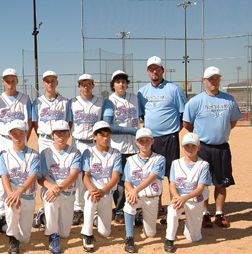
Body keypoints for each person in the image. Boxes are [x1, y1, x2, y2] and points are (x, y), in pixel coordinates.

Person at [183, 66, 242, 228]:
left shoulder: (229, 100)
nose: (213, 81)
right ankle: (205, 213)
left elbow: (233, 121)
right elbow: (187, 123)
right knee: (203, 183)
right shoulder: (195, 101)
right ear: (204, 81)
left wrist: (221, 132)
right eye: (210, 79)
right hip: (202, 148)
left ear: (219, 79)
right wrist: (200, 135)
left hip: (222, 147)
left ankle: (220, 214)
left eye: (216, 78)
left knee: (221, 183)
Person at [138, 56, 187, 220]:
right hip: (152, 140)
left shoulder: (174, 89)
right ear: (147, 71)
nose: (154, 71)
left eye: (157, 68)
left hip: (170, 138)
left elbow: (183, 114)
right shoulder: (142, 92)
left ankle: (176, 204)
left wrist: (173, 131)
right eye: (151, 69)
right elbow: (142, 115)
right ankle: (158, 206)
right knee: (155, 175)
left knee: (173, 173)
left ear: (162, 70)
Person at [0, 68, 32, 232]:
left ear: (17, 81)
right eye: (7, 80)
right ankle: (1, 214)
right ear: (3, 82)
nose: (10, 83)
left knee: (21, 172)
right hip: (4, 139)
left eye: (12, 80)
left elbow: (29, 121)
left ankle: (20, 207)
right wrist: (3, 138)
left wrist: (21, 138)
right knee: (3, 178)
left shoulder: (25, 99)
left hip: (20, 138)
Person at [37, 120, 81, 254]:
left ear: (69, 135)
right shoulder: (45, 153)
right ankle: (52, 235)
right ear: (52, 135)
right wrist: (52, 187)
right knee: (51, 198)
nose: (61, 136)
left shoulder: (75, 152)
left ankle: (43, 216)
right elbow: (41, 178)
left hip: (67, 193)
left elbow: (73, 175)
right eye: (57, 133)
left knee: (65, 234)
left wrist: (59, 188)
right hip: (51, 191)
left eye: (64, 133)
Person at [67, 74, 105, 226]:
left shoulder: (100, 103)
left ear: (93, 85)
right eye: (83, 84)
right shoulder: (73, 102)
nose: (86, 87)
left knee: (93, 174)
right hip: (78, 142)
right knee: (77, 175)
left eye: (89, 84)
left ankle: (94, 208)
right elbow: (69, 123)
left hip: (94, 143)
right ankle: (78, 208)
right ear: (79, 86)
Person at [103, 70, 140, 224]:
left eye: (124, 81)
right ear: (113, 85)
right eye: (118, 82)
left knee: (135, 179)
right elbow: (108, 125)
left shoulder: (135, 99)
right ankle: (119, 210)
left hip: (135, 148)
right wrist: (132, 131)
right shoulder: (109, 101)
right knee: (118, 182)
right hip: (118, 147)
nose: (121, 84)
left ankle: (135, 209)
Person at [164, 133, 211, 253]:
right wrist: (178, 198)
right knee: (173, 209)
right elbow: (172, 184)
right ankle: (169, 239)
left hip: (195, 200)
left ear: (199, 147)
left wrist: (184, 198)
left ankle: (189, 227)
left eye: (193, 146)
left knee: (193, 238)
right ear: (182, 147)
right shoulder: (176, 163)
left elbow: (200, 188)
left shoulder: (203, 165)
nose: (190, 149)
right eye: (187, 146)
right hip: (179, 199)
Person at [0, 120, 41, 254]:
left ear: (26, 133)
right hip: (13, 197)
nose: (18, 137)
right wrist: (11, 193)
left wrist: (19, 191)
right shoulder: (4, 155)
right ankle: (12, 238)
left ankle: (5, 226)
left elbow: (33, 175)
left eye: (21, 133)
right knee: (11, 206)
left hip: (28, 197)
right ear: (9, 135)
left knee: (25, 239)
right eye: (14, 134)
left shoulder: (34, 154)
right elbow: (4, 176)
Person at [80, 121, 122, 253]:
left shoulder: (116, 153)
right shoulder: (88, 152)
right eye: (102, 135)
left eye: (108, 135)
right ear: (94, 136)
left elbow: (115, 177)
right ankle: (87, 235)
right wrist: (92, 189)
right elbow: (85, 176)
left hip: (107, 194)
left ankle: (94, 217)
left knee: (105, 233)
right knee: (90, 197)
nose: (106, 138)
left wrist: (103, 191)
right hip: (93, 192)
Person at [122, 128, 165, 253]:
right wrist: (132, 192)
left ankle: (141, 217)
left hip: (151, 196)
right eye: (141, 141)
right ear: (136, 142)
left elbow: (152, 178)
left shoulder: (159, 159)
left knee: (150, 234)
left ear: (153, 141)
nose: (144, 143)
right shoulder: (130, 160)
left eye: (147, 140)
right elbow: (127, 181)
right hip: (136, 196)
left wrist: (135, 190)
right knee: (129, 204)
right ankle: (129, 237)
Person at [32, 70, 69, 152]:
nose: (50, 84)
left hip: (60, 139)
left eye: (53, 81)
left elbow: (69, 122)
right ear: (43, 84)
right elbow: (35, 123)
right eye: (47, 81)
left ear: (57, 83)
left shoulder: (65, 102)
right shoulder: (37, 102)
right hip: (44, 140)